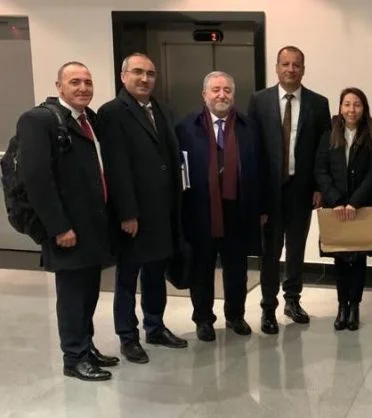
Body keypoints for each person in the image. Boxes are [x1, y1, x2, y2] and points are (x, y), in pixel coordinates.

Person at [17, 61, 116, 380]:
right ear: (59, 86)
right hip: (68, 229)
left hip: (92, 226)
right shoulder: (39, 120)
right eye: (75, 82)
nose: (83, 88)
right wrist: (59, 227)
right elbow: (37, 179)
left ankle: (86, 346)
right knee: (73, 295)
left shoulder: (88, 120)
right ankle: (74, 357)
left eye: (88, 82)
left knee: (89, 292)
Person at [96, 52, 187, 364]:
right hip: (133, 214)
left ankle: (155, 326)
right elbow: (115, 166)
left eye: (150, 73)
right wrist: (127, 212)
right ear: (123, 76)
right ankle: (127, 336)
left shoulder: (162, 109)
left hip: (162, 211)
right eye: (137, 72)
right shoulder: (112, 112)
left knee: (155, 274)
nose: (144, 79)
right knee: (127, 277)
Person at [175, 71, 267, 342]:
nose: (221, 95)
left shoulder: (249, 127)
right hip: (200, 212)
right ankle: (203, 319)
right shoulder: (185, 128)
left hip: (238, 211)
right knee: (201, 268)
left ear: (233, 95)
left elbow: (261, 169)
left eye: (227, 90)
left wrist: (262, 208)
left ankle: (235, 316)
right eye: (215, 89)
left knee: (237, 269)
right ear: (204, 94)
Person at [247, 45, 331, 334]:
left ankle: (292, 301)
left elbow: (323, 150)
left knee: (296, 249)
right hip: (269, 191)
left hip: (301, 189)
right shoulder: (258, 101)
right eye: (285, 64)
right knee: (270, 251)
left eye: (296, 64)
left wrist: (319, 186)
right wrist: (256, 193)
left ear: (303, 69)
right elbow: (252, 149)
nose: (291, 69)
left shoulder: (318, 103)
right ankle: (268, 307)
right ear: (277, 67)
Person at [314, 87, 372, 331]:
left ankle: (354, 306)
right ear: (340, 107)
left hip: (361, 207)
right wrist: (336, 200)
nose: (351, 109)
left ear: (364, 108)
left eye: (357, 104)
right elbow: (320, 170)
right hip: (336, 208)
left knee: (359, 260)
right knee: (340, 258)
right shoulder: (329, 133)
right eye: (347, 104)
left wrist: (355, 202)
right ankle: (342, 306)